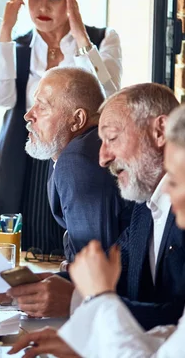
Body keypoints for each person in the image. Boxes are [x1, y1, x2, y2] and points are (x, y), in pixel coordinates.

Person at [0, 84, 185, 329]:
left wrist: (80, 303)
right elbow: (114, 274)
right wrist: (10, 291)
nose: (103, 158)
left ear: (160, 131)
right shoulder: (146, 207)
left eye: (112, 139)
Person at [12, 100, 185, 358]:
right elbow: (179, 333)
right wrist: (16, 291)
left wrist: (96, 297)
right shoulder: (150, 211)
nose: (102, 158)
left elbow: (174, 316)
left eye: (174, 181)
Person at [0, 0, 122, 254]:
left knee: (72, 251)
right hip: (18, 162)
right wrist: (5, 30)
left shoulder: (102, 39)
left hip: (77, 162)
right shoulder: (16, 46)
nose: (42, 8)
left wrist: (80, 33)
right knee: (13, 256)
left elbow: (108, 95)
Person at [24, 66, 131, 263]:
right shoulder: (82, 146)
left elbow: (93, 263)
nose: (29, 115)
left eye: (42, 107)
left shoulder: (78, 159)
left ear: (77, 120)